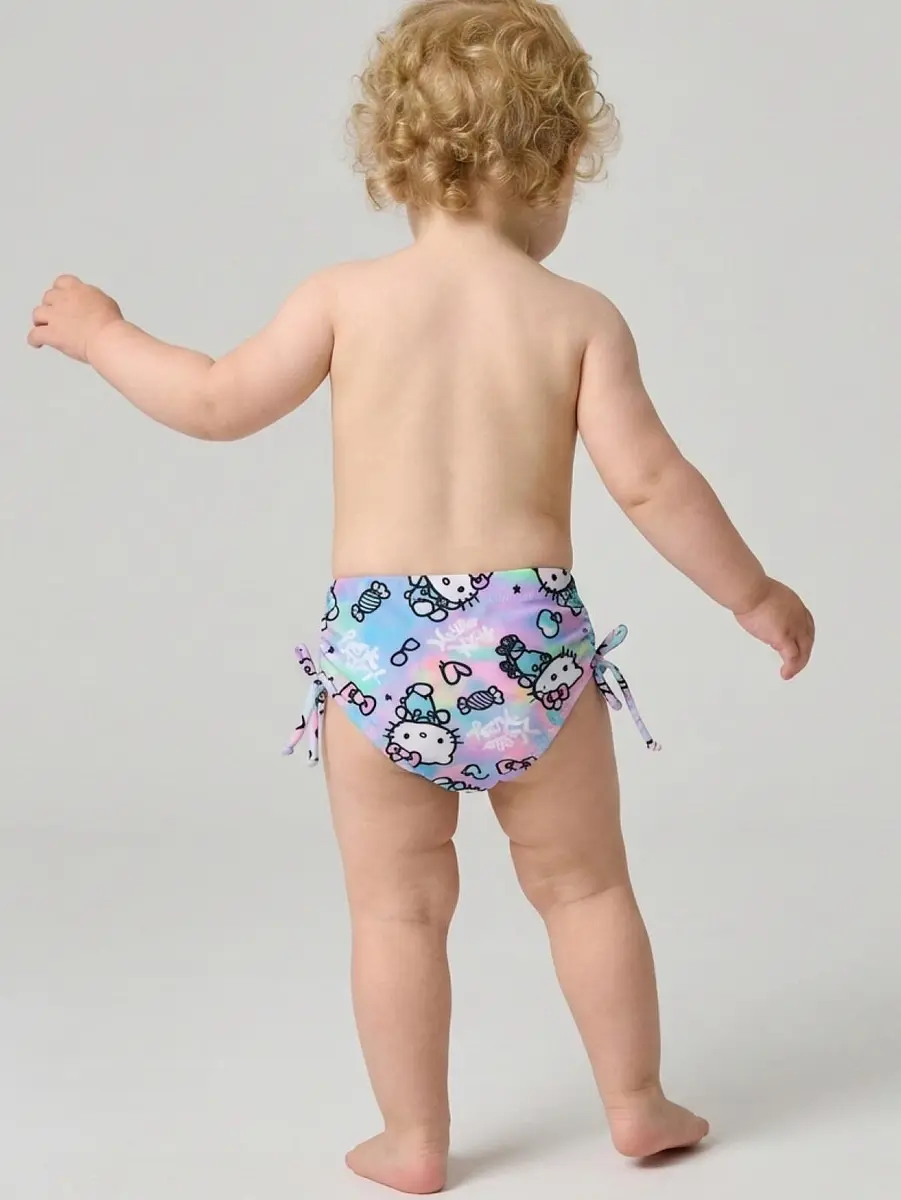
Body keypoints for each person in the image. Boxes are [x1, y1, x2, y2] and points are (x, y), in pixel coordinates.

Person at [28, 0, 814, 1192]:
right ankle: (635, 1101)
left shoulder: (344, 298)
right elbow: (653, 483)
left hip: (381, 652)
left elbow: (214, 401)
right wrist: (751, 593)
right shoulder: (577, 317)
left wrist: (104, 335)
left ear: (396, 156)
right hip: (530, 644)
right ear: (557, 163)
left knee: (396, 913)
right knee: (585, 886)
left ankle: (413, 1138)